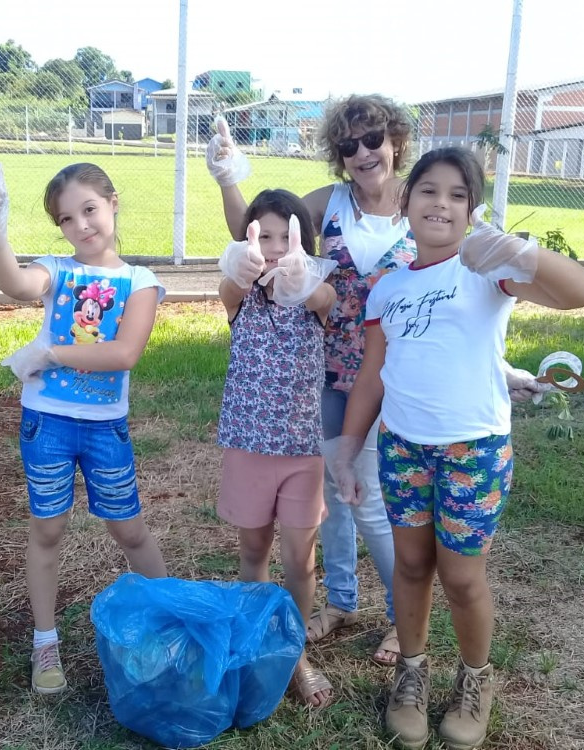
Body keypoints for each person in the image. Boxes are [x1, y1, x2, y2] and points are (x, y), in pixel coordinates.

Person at [330, 147, 584, 750]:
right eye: (428, 190)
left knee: (461, 577)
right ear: (406, 201)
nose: (441, 204)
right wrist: (347, 449)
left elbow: (581, 292)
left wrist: (519, 252)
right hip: (403, 448)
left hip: (472, 451)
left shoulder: (484, 269)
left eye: (457, 195)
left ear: (472, 209)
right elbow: (372, 376)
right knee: (412, 567)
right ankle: (411, 674)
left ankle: (476, 680)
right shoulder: (387, 288)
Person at [206, 95, 418, 665]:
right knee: (336, 499)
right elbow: (260, 230)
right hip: (325, 370)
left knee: (370, 498)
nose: (363, 153)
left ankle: (404, 618)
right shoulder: (332, 203)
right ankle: (343, 601)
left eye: (372, 139)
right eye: (348, 145)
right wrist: (228, 177)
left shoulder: (419, 202)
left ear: (395, 140)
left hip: (392, 373)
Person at [0, 162, 168, 695]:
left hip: (105, 429)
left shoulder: (140, 282)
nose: (81, 225)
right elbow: (14, 283)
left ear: (113, 203)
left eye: (89, 209)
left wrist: (52, 352)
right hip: (47, 424)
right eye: (66, 219)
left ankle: (171, 621)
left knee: (130, 530)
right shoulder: (56, 269)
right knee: (47, 531)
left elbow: (124, 353)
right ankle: (45, 641)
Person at [216, 189, 337, 707]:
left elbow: (323, 301)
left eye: (285, 237)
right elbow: (228, 288)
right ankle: (257, 642)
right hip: (247, 447)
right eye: (263, 237)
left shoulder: (317, 293)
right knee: (253, 551)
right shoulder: (240, 295)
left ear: (304, 242)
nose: (273, 247)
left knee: (300, 560)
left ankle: (293, 654)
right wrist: (241, 270)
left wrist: (301, 280)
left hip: (302, 452)